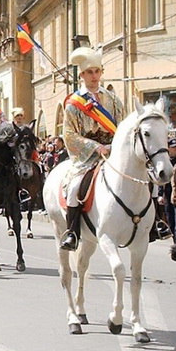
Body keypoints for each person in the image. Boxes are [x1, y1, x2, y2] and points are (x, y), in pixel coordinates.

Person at [60, 47, 125, 251]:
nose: (94, 76)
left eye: (97, 71)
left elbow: (122, 125)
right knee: (74, 187)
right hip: (87, 157)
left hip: (114, 152)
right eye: (90, 72)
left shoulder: (113, 99)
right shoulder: (73, 104)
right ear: (81, 75)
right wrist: (96, 147)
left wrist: (116, 145)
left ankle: (152, 223)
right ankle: (72, 232)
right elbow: (69, 135)